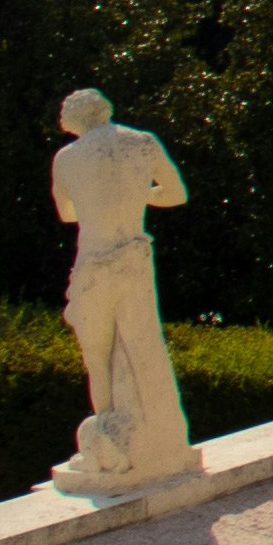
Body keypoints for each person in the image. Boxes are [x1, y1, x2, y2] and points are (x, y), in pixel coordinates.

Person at [48, 91, 200, 496]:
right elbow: (176, 193)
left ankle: (113, 437)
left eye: (64, 111)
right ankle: (162, 437)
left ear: (77, 117)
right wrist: (139, 195)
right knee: (144, 344)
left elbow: (67, 214)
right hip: (134, 257)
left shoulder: (67, 159)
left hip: (96, 264)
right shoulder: (143, 142)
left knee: (97, 355)